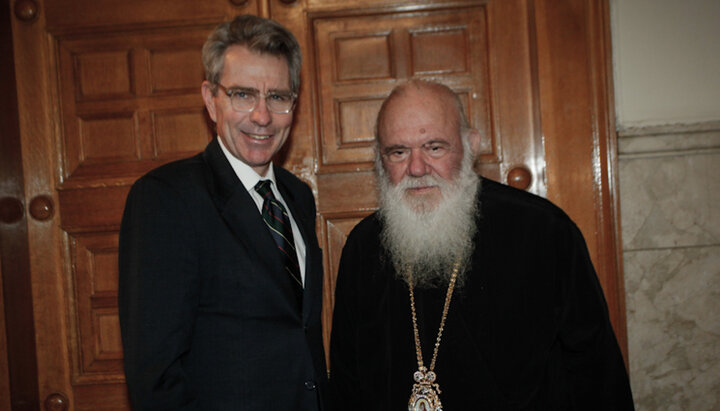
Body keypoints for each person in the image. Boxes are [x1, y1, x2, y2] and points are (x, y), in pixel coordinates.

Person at [329, 79, 634, 410]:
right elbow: (348, 384)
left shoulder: (543, 231)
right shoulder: (363, 247)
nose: (416, 168)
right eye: (398, 152)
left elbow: (595, 373)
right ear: (380, 159)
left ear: (470, 145)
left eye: (434, 147)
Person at [119, 15, 328, 410]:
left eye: (278, 97)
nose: (262, 116)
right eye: (243, 95)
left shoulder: (299, 197)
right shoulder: (166, 199)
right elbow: (155, 375)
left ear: (293, 105)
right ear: (210, 99)